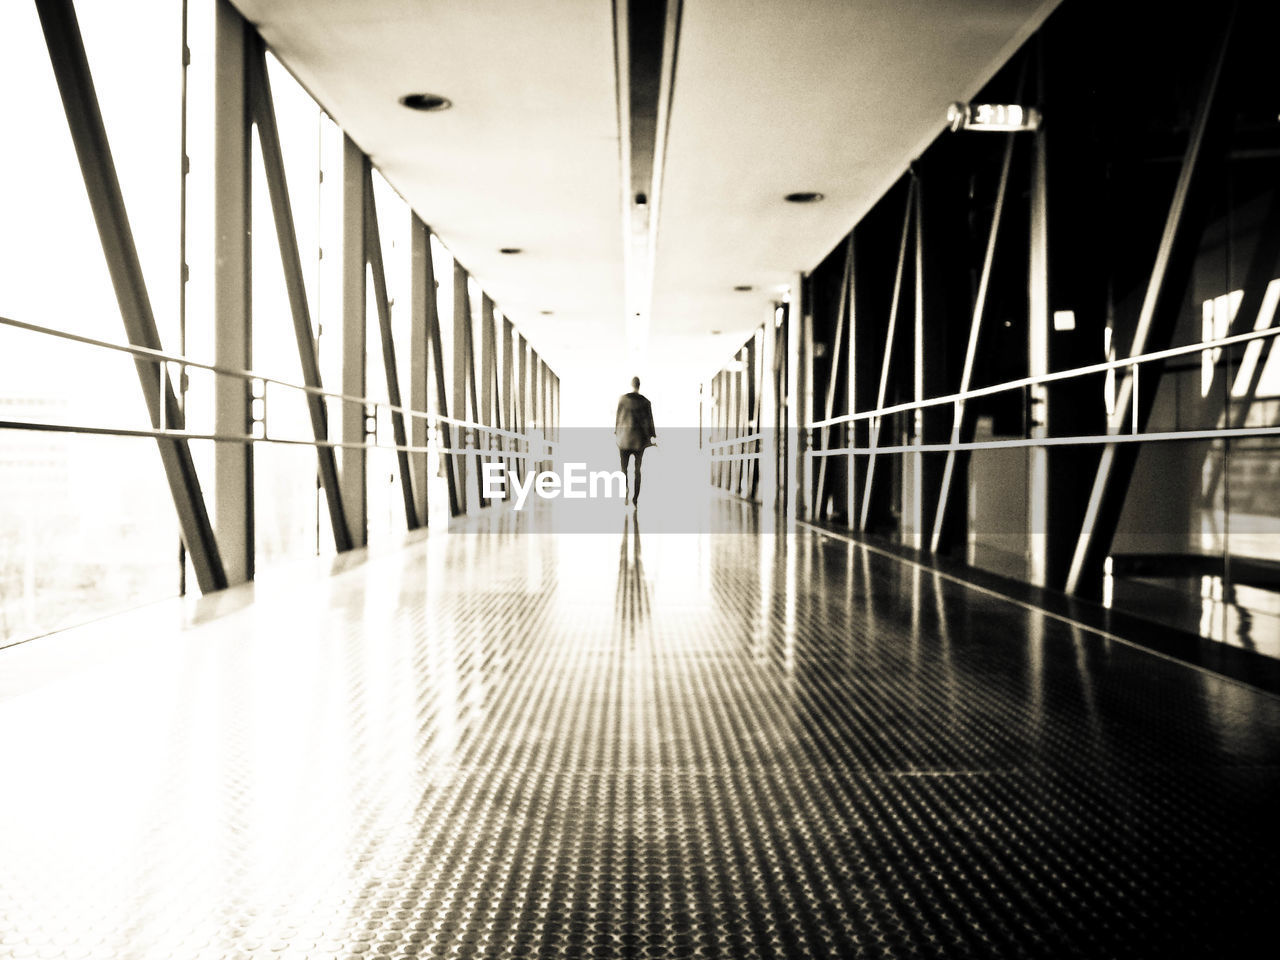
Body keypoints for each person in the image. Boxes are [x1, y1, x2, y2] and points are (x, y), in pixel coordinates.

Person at [614, 376, 656, 507]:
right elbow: (650, 422)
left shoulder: (622, 400)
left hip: (623, 440)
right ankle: (635, 499)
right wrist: (652, 436)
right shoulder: (645, 402)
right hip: (639, 441)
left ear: (631, 384)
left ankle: (625, 488)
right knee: (637, 469)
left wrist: (617, 433)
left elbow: (617, 420)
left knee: (623, 469)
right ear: (639, 385)